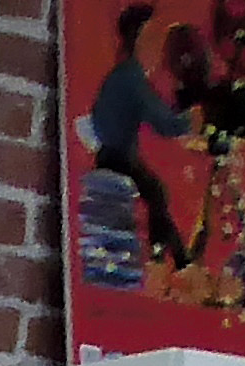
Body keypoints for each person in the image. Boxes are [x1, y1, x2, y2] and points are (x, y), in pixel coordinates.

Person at [94, 4, 195, 272]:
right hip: (117, 156)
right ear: (136, 39)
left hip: (117, 153)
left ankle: (172, 256)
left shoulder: (126, 74)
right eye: (151, 38)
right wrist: (192, 119)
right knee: (155, 192)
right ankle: (169, 257)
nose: (157, 47)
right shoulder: (131, 78)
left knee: (155, 191)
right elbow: (164, 122)